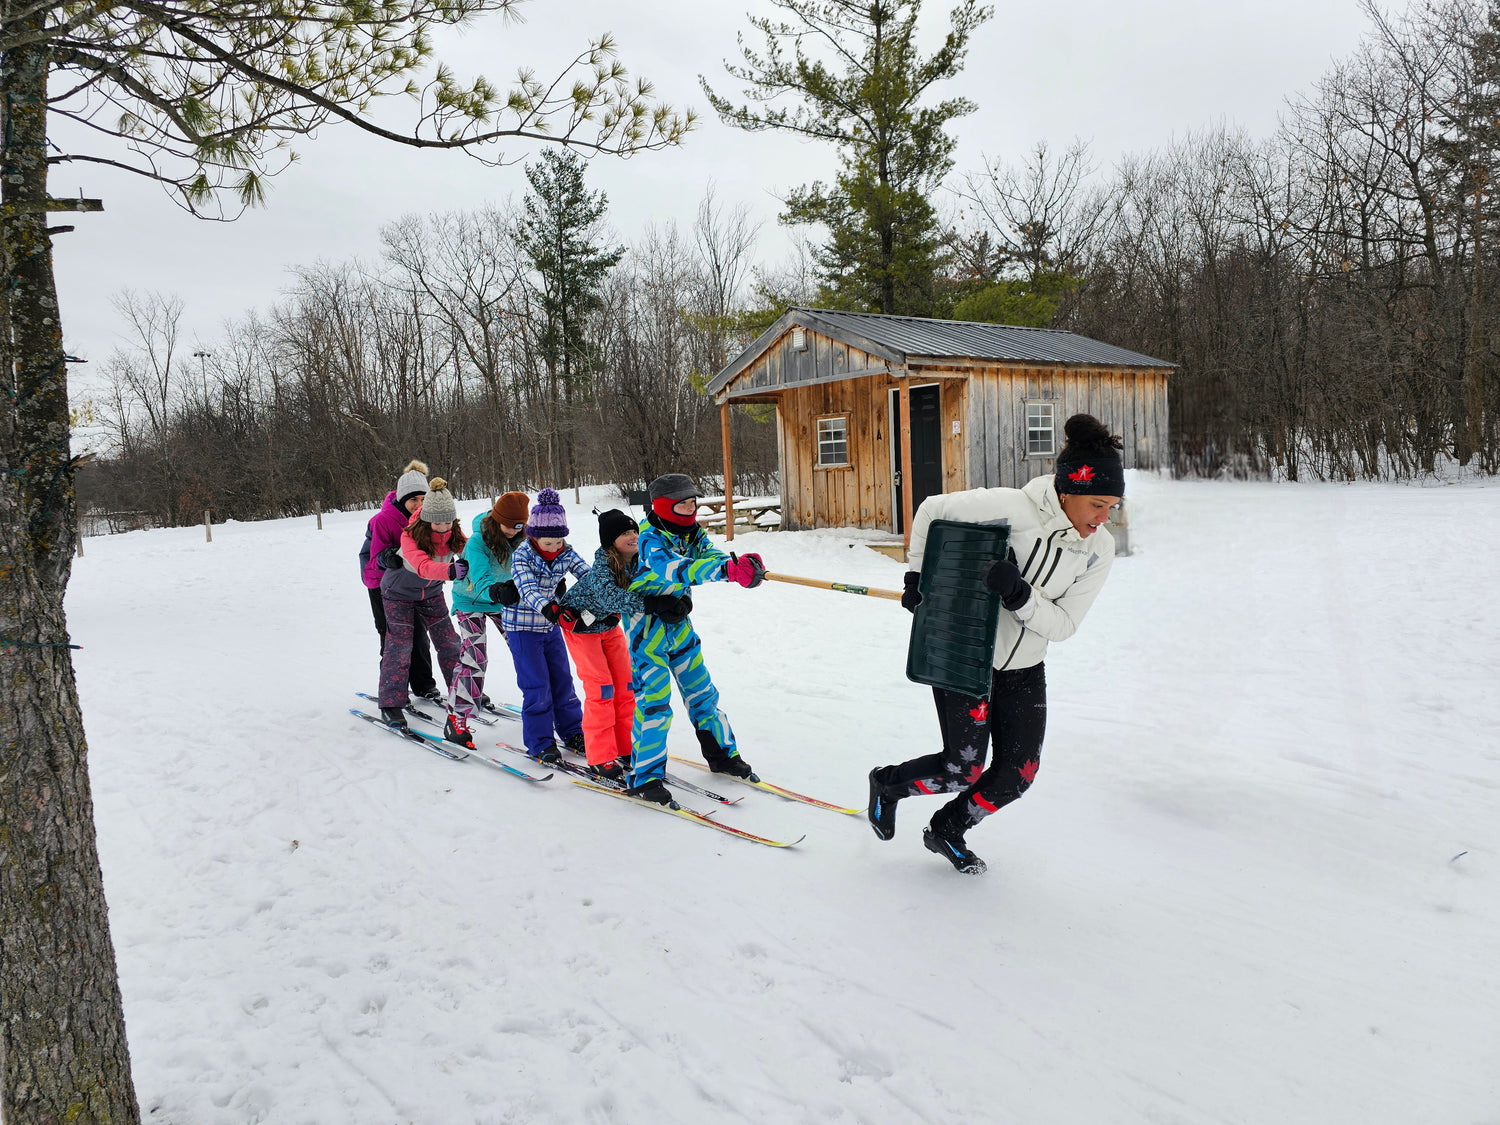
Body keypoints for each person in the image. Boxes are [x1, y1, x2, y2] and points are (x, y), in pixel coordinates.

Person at [869, 414, 1124, 875]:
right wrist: (916, 574)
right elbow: (929, 510)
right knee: (960, 769)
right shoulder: (1011, 507)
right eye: (1097, 505)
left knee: (1018, 774)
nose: (1103, 520)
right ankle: (888, 785)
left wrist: (1019, 594)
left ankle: (947, 829)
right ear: (1068, 490)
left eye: (1112, 508)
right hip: (967, 658)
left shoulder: (1097, 549)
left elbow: (1063, 624)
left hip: (1025, 667)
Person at [621, 473, 766, 805]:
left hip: (680, 626)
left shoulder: (691, 531)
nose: (690, 508)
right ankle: (644, 776)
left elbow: (708, 555)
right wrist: (725, 573)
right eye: (682, 503)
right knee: (654, 704)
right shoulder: (648, 539)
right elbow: (675, 570)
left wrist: (737, 566)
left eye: (692, 502)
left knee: (702, 693)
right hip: (647, 632)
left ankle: (722, 755)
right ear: (662, 505)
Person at [556, 509, 649, 781]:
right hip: (581, 630)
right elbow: (612, 600)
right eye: (625, 533)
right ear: (611, 541)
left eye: (634, 531)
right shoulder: (603, 567)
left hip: (608, 626)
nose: (633, 536)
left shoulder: (638, 560)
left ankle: (624, 747)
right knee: (602, 690)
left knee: (625, 686)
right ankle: (600, 756)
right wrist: (653, 604)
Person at [500, 488, 588, 765]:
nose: (554, 548)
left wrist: (602, 596)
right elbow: (527, 589)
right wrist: (551, 608)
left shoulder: (565, 551)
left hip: (550, 628)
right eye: (548, 543)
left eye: (559, 542)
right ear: (534, 536)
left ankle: (573, 731)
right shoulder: (522, 556)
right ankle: (540, 742)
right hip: (522, 628)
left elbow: (587, 575)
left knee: (563, 681)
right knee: (537, 686)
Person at [375, 479, 468, 731]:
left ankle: (460, 693)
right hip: (398, 593)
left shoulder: (453, 532)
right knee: (401, 645)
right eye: (437, 522)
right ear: (426, 519)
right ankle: (391, 702)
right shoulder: (411, 534)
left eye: (447, 522)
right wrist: (450, 570)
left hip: (431, 593)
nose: (442, 527)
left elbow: (470, 551)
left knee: (449, 642)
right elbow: (422, 566)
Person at [444, 491, 530, 750]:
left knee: (525, 648)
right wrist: (495, 591)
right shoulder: (477, 542)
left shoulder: (522, 540)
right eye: (508, 526)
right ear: (497, 519)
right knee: (475, 656)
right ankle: (456, 718)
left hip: (502, 601)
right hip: (471, 600)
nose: (513, 532)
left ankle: (539, 706)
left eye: (519, 527)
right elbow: (479, 576)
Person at [359, 459, 440, 702]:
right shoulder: (383, 520)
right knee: (393, 637)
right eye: (413, 499)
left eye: (424, 499)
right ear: (402, 498)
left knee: (419, 634)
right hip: (381, 584)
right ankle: (393, 689)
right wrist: (386, 557)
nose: (419, 504)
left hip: (411, 584)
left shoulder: (428, 518)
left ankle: (424, 684)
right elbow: (373, 559)